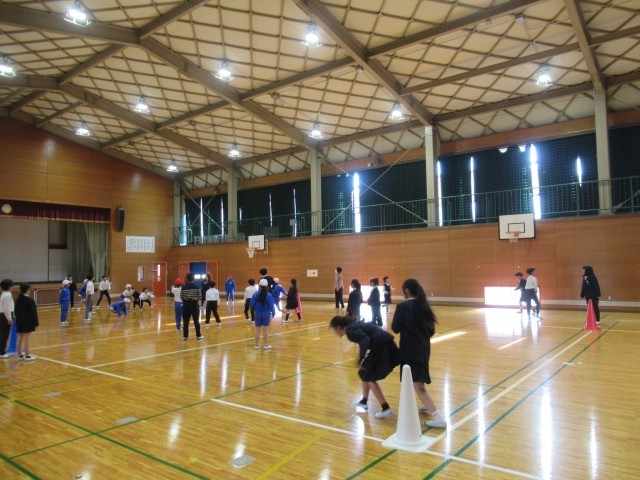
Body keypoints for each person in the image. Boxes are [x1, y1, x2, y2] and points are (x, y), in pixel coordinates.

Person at [391, 278, 447, 429]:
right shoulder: (424, 306)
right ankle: (426, 405)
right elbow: (431, 331)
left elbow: (395, 328)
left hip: (410, 351)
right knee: (416, 380)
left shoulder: (403, 307)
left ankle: (438, 417)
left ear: (406, 291)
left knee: (418, 385)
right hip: (424, 349)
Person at [329, 315, 399, 418]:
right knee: (364, 372)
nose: (335, 333)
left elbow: (365, 340)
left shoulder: (350, 331)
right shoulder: (352, 326)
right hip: (385, 345)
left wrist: (360, 359)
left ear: (338, 328)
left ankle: (386, 408)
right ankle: (364, 401)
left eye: (334, 330)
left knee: (369, 377)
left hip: (384, 348)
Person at [14, 283, 38, 362]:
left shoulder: (17, 300)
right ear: (28, 289)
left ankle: (19, 354)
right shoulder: (30, 300)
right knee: (27, 339)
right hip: (28, 322)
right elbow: (33, 313)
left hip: (19, 321)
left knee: (20, 338)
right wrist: (36, 322)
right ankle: (27, 355)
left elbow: (16, 311)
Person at [250, 278, 276, 350]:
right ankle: (266, 345)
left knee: (257, 330)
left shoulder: (255, 294)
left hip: (257, 313)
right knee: (265, 330)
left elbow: (251, 304)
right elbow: (271, 305)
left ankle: (257, 345)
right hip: (266, 314)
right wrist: (273, 313)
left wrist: (254, 310)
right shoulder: (269, 295)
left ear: (259, 285)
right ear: (267, 286)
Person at [180, 273, 203, 341]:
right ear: (193, 279)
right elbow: (200, 296)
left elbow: (181, 297)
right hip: (194, 305)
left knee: (185, 321)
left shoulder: (183, 287)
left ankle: (185, 336)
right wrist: (195, 300)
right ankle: (198, 336)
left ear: (187, 279)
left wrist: (186, 300)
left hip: (186, 305)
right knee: (196, 321)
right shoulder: (196, 286)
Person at [0, 279, 15, 359]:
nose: (13, 287)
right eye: (12, 286)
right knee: (4, 334)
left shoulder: (5, 294)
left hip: (4, 315)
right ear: (9, 286)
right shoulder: (7, 295)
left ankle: (2, 351)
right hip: (5, 316)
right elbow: (6, 308)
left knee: (4, 334)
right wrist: (9, 318)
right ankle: (2, 352)